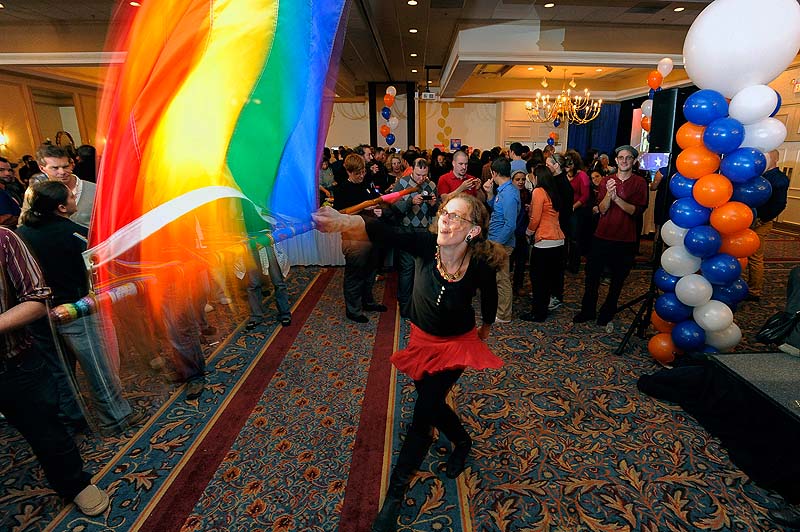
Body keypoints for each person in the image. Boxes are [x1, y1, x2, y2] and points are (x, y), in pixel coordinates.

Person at [313, 193, 504, 532]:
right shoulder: (425, 245)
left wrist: (486, 328)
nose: (445, 219)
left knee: (423, 414)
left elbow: (489, 297)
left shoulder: (479, 264)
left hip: (457, 345)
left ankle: (395, 496)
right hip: (421, 339)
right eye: (445, 212)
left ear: (473, 231)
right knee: (429, 403)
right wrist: (344, 221)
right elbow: (387, 232)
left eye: (457, 217)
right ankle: (462, 439)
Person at [16, 181, 147, 434]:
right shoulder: (75, 234)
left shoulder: (21, 234)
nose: (76, 200)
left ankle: (73, 418)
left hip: (38, 314)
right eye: (72, 198)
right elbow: (97, 269)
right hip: (77, 311)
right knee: (99, 366)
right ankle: (115, 419)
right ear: (62, 207)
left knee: (60, 371)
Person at [0, 225, 110, 516]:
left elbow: (36, 301)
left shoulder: (4, 239)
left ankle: (75, 484)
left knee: (46, 431)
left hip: (15, 365)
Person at [573, 145, 648, 327]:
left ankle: (608, 311)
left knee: (617, 280)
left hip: (625, 239)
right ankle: (588, 310)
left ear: (633, 161)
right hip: (602, 236)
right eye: (621, 157)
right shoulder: (607, 180)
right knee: (592, 276)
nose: (624, 161)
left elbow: (635, 211)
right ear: (616, 160)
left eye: (628, 158)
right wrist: (609, 195)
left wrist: (617, 199)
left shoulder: (639, 183)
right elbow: (602, 209)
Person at [333, 154, 386, 323]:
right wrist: (363, 208)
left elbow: (374, 200)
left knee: (370, 272)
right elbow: (339, 214)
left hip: (372, 234)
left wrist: (376, 209)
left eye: (363, 171)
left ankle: (368, 302)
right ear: (348, 172)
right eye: (358, 173)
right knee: (354, 276)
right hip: (354, 239)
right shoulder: (342, 189)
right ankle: (353, 310)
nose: (362, 175)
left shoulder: (366, 183)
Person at [391, 158, 438, 317]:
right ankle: (404, 307)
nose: (421, 179)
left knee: (424, 271)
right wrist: (411, 201)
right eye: (418, 175)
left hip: (425, 233)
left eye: (424, 175)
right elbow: (394, 209)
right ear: (412, 169)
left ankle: (420, 305)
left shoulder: (431, 185)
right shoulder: (402, 183)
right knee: (407, 271)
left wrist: (433, 205)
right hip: (407, 232)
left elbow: (435, 212)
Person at [522, 165, 566, 322]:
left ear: (537, 177)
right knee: (548, 279)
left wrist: (528, 232)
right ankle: (543, 309)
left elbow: (536, 218)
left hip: (545, 240)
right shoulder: (552, 191)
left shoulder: (538, 191)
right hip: (558, 240)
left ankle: (538, 313)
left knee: (538, 279)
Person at [746, 149, 790, 302]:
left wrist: (762, 219)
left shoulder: (779, 179)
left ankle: (754, 291)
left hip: (761, 222)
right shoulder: (759, 176)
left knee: (755, 256)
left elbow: (779, 204)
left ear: (773, 159)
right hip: (748, 219)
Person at [483, 157, 520, 323]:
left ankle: (504, 315)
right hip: (496, 241)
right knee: (496, 278)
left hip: (502, 244)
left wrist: (496, 244)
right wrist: (490, 194)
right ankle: (499, 309)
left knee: (502, 279)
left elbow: (510, 225)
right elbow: (497, 211)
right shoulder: (503, 190)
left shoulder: (510, 194)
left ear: (494, 173)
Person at [32, 144, 95, 227]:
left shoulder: (95, 190)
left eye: (65, 166)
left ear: (72, 164)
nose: (62, 172)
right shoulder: (35, 193)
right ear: (42, 168)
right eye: (55, 168)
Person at [564, 150, 592, 273]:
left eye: (570, 163)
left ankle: (574, 265)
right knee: (563, 238)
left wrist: (574, 207)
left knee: (574, 239)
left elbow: (585, 195)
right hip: (564, 210)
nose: (567, 166)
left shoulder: (582, 175)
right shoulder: (563, 175)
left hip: (577, 210)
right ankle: (563, 262)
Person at [510, 169, 532, 296]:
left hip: (522, 231)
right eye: (517, 179)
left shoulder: (528, 194)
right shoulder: (508, 194)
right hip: (510, 232)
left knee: (520, 262)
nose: (520, 182)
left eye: (523, 179)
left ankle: (518, 285)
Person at [0, 157, 21, 228]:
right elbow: (4, 220)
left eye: (9, 170)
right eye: (1, 170)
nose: (7, 173)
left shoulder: (5, 188)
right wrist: (24, 218)